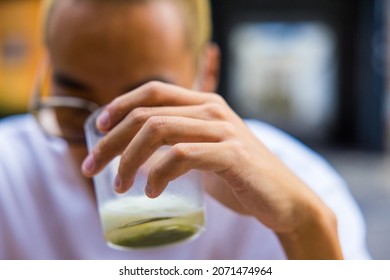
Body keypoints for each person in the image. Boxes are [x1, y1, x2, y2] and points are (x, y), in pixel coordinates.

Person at [0, 0, 370, 260]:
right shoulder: (9, 174)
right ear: (46, 74)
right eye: (74, 107)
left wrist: (304, 228)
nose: (109, 148)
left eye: (144, 109)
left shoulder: (298, 183)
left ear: (206, 72)